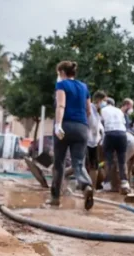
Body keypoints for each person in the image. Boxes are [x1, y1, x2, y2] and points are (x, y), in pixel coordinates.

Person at [51, 60, 95, 209]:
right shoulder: (84, 87)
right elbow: (89, 111)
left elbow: (61, 105)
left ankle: (55, 198)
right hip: (82, 127)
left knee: (59, 163)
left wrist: (58, 124)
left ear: (62, 72)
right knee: (78, 162)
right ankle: (86, 185)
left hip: (66, 125)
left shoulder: (61, 85)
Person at [99, 96, 132, 194]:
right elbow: (124, 124)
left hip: (110, 134)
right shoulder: (119, 111)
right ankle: (125, 183)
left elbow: (100, 124)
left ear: (107, 103)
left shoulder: (102, 110)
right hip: (122, 134)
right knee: (122, 160)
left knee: (109, 160)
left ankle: (107, 184)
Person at [87, 91, 106, 187]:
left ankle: (92, 188)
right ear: (99, 100)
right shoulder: (90, 108)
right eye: (103, 101)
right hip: (87, 141)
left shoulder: (98, 111)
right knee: (85, 165)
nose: (104, 104)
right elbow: (93, 125)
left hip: (94, 142)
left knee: (94, 165)